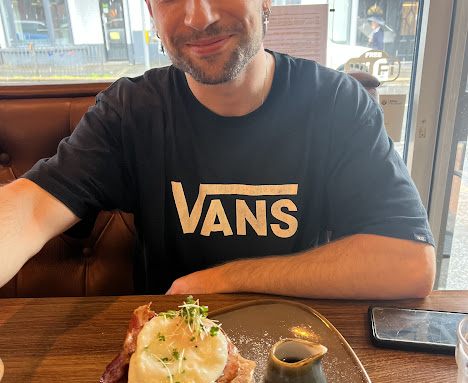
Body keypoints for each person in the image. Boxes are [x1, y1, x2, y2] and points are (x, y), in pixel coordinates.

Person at [0, 0, 435, 300]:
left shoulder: (335, 103)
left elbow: (410, 262)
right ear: (150, 12)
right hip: (170, 360)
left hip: (292, 353)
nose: (199, 17)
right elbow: (31, 207)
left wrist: (227, 279)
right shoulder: (130, 110)